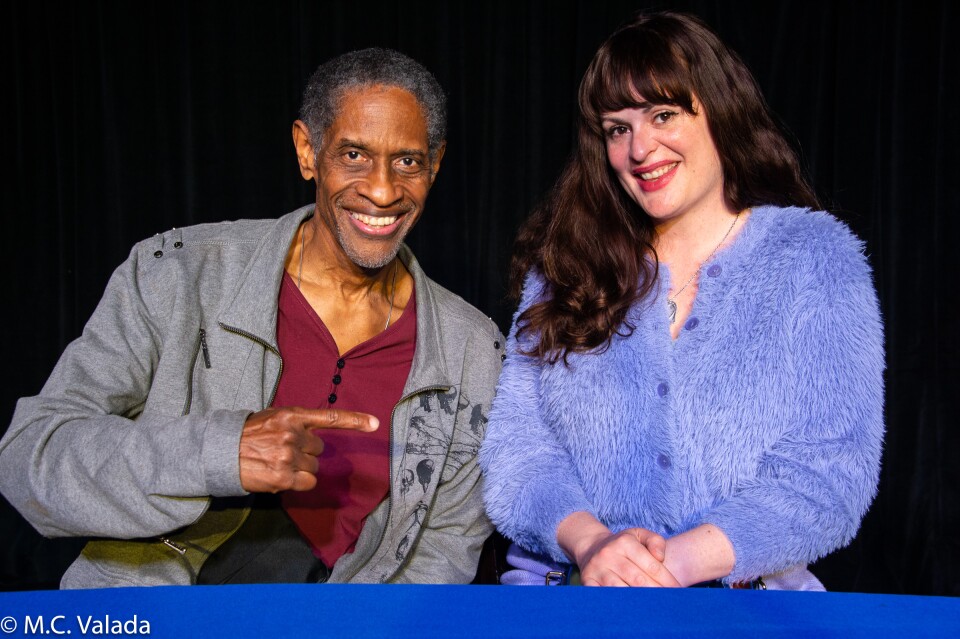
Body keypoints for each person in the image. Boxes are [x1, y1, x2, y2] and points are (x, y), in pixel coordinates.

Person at [0, 48, 505, 588]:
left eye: (407, 161)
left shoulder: (472, 351)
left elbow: (444, 551)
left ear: (436, 163)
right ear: (308, 151)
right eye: (354, 155)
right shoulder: (180, 274)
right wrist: (219, 451)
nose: (382, 190)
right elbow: (31, 455)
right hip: (148, 616)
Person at [479, 12, 884, 589]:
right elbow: (518, 453)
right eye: (617, 129)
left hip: (750, 608)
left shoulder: (815, 258)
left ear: (719, 109)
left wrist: (671, 567)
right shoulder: (566, 264)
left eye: (663, 115)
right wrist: (593, 545)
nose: (640, 148)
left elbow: (831, 472)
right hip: (567, 595)